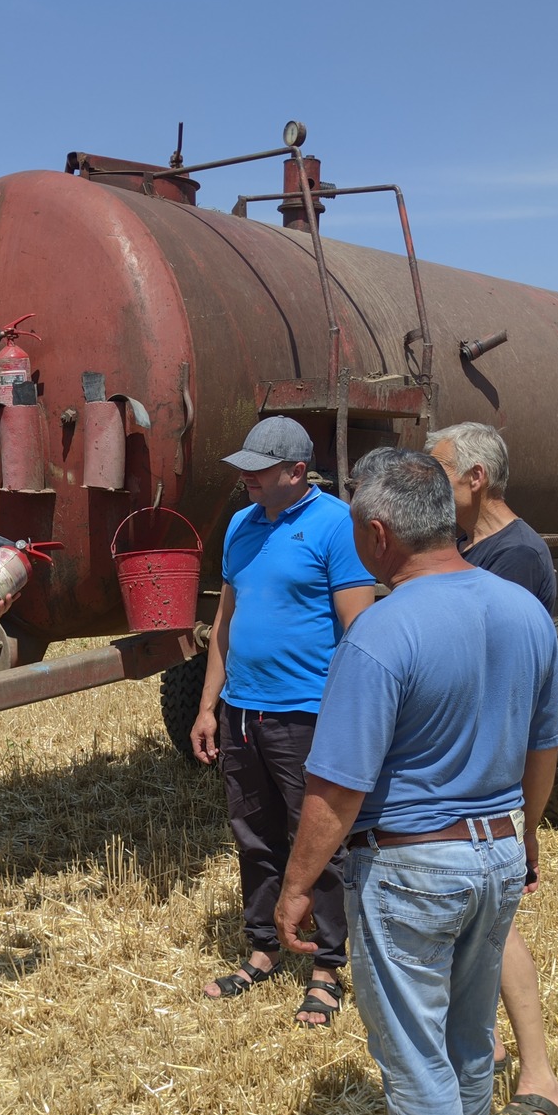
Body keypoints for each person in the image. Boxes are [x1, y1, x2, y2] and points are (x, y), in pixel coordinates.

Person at [274, 448, 558, 1115]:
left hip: (412, 869)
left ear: (375, 533)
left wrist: (297, 888)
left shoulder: (380, 633)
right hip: (497, 851)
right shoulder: (522, 611)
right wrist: (527, 834)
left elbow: (336, 791)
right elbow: (543, 747)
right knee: (471, 1042)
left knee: (414, 1058)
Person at [191, 416, 376, 1025]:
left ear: (297, 471)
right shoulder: (242, 526)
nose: (245, 477)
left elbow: (359, 629)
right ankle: (263, 949)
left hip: (307, 714)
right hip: (243, 710)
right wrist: (208, 707)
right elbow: (224, 625)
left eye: (258, 468)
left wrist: (351, 716)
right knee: (254, 833)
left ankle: (327, 966)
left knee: (317, 838)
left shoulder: (334, 527)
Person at [426, 421, 558, 1115]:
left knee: (496, 921)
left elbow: (495, 668)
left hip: (488, 767)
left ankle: (541, 1078)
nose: (431, 486)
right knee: (484, 921)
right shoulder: (466, 548)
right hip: (466, 761)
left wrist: (528, 819)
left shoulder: (516, 558)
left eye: (439, 472)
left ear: (475, 478)